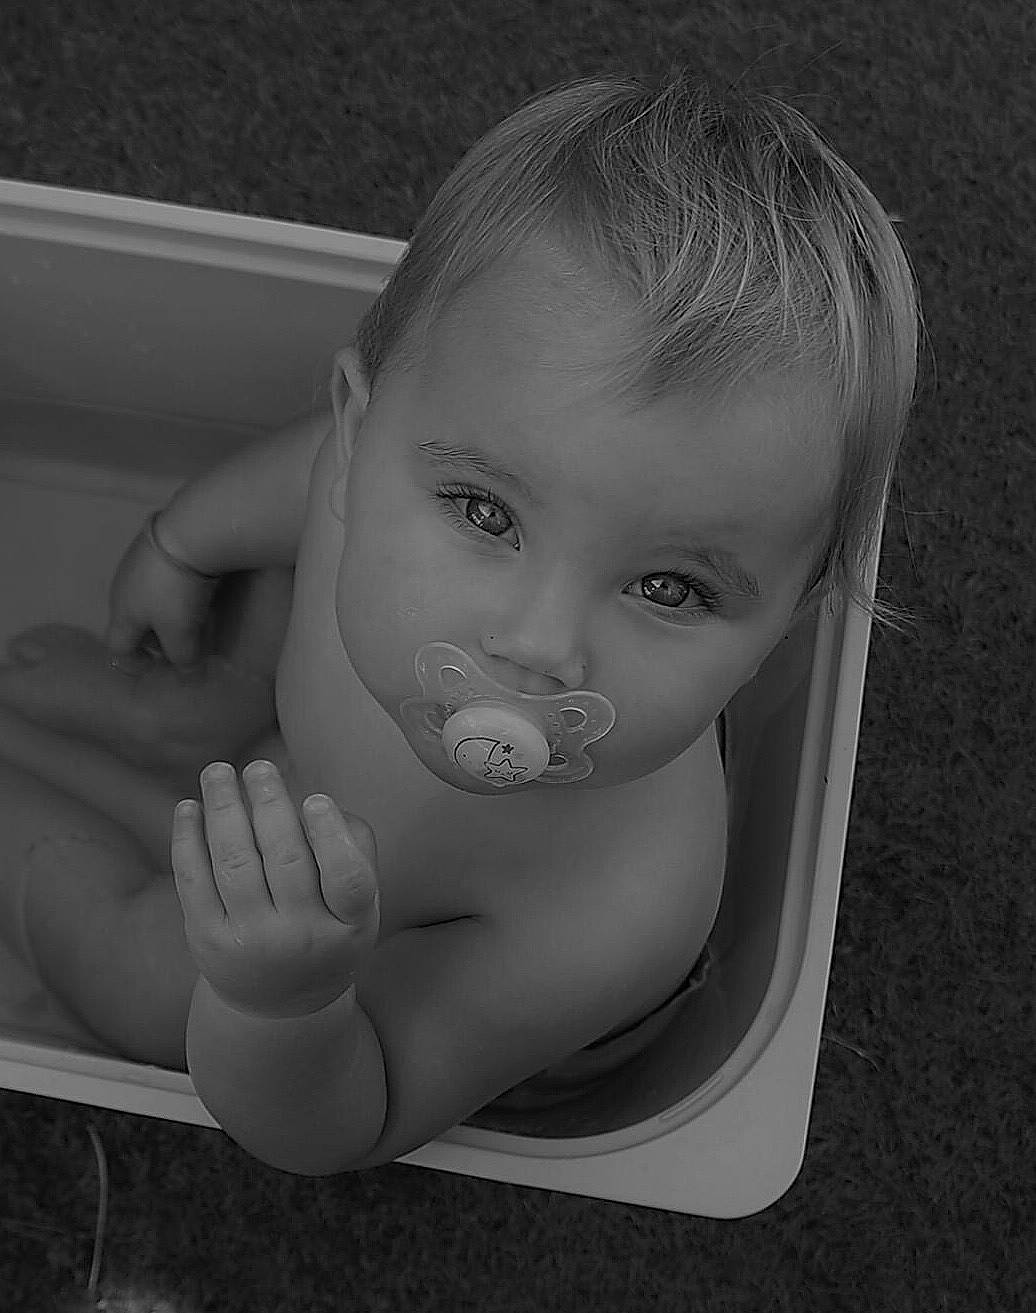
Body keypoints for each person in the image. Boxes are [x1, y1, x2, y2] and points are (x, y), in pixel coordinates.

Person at [0, 71, 920, 1174]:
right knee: (306, 589)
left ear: (785, 624)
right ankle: (187, 715)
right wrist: (181, 543)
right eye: (487, 514)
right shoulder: (377, 468)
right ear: (363, 423)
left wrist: (281, 1001)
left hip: (383, 967)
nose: (535, 644)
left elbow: (354, 1115)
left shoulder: (619, 900)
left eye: (670, 587)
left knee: (155, 982)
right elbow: (304, 482)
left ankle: (40, 850)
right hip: (319, 765)